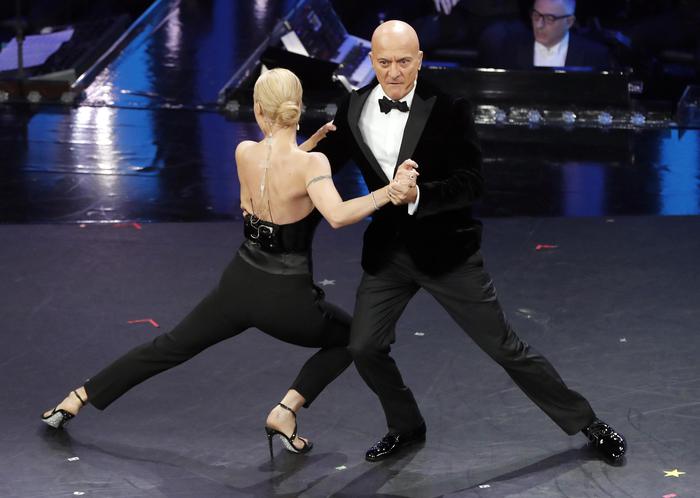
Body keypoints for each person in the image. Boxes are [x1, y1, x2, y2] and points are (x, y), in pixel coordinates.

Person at [41, 67, 417, 459]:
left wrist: (308, 146)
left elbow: (275, 174)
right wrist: (389, 192)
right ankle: (286, 410)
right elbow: (336, 215)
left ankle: (76, 398)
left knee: (169, 346)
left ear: (258, 110)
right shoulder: (312, 165)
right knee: (355, 339)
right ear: (298, 107)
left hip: (237, 285)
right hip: (286, 300)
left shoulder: (245, 153)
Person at [312, 20, 627, 463]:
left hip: (448, 252)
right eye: (384, 62)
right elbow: (323, 163)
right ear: (371, 60)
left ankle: (587, 422)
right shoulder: (354, 106)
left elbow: (472, 182)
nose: (394, 72)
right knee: (363, 346)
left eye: (403, 61)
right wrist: (283, 159)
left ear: (420, 60)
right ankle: (406, 425)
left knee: (504, 347)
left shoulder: (448, 106)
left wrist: (419, 195)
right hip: (388, 252)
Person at [478, 0, 615, 70]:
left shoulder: (595, 56)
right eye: (536, 16)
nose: (539, 25)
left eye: (549, 19)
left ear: (569, 22)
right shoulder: (509, 48)